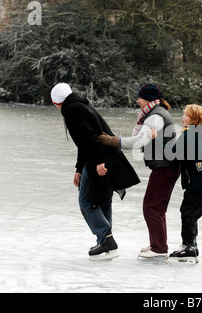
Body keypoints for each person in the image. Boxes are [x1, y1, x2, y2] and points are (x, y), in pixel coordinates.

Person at [51, 83, 141, 261]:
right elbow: (83, 142)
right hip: (105, 157)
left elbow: (88, 138)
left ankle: (107, 241)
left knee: (86, 201)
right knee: (102, 199)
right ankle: (105, 242)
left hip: (99, 159)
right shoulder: (82, 105)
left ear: (56, 102)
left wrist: (99, 161)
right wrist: (78, 169)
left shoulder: (71, 111)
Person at [99, 84, 180, 259]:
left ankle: (159, 249)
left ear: (148, 99)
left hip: (165, 166)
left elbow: (139, 141)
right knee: (156, 207)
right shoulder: (155, 113)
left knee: (151, 207)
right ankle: (158, 245)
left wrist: (113, 141)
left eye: (140, 98)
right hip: (166, 166)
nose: (137, 101)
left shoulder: (155, 116)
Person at [168, 105, 202, 263]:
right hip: (199, 180)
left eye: (186, 116)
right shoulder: (195, 133)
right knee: (189, 212)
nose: (183, 118)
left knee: (188, 213)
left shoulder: (190, 134)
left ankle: (190, 246)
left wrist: (155, 140)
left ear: (195, 119)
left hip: (198, 181)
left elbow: (171, 152)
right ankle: (189, 245)